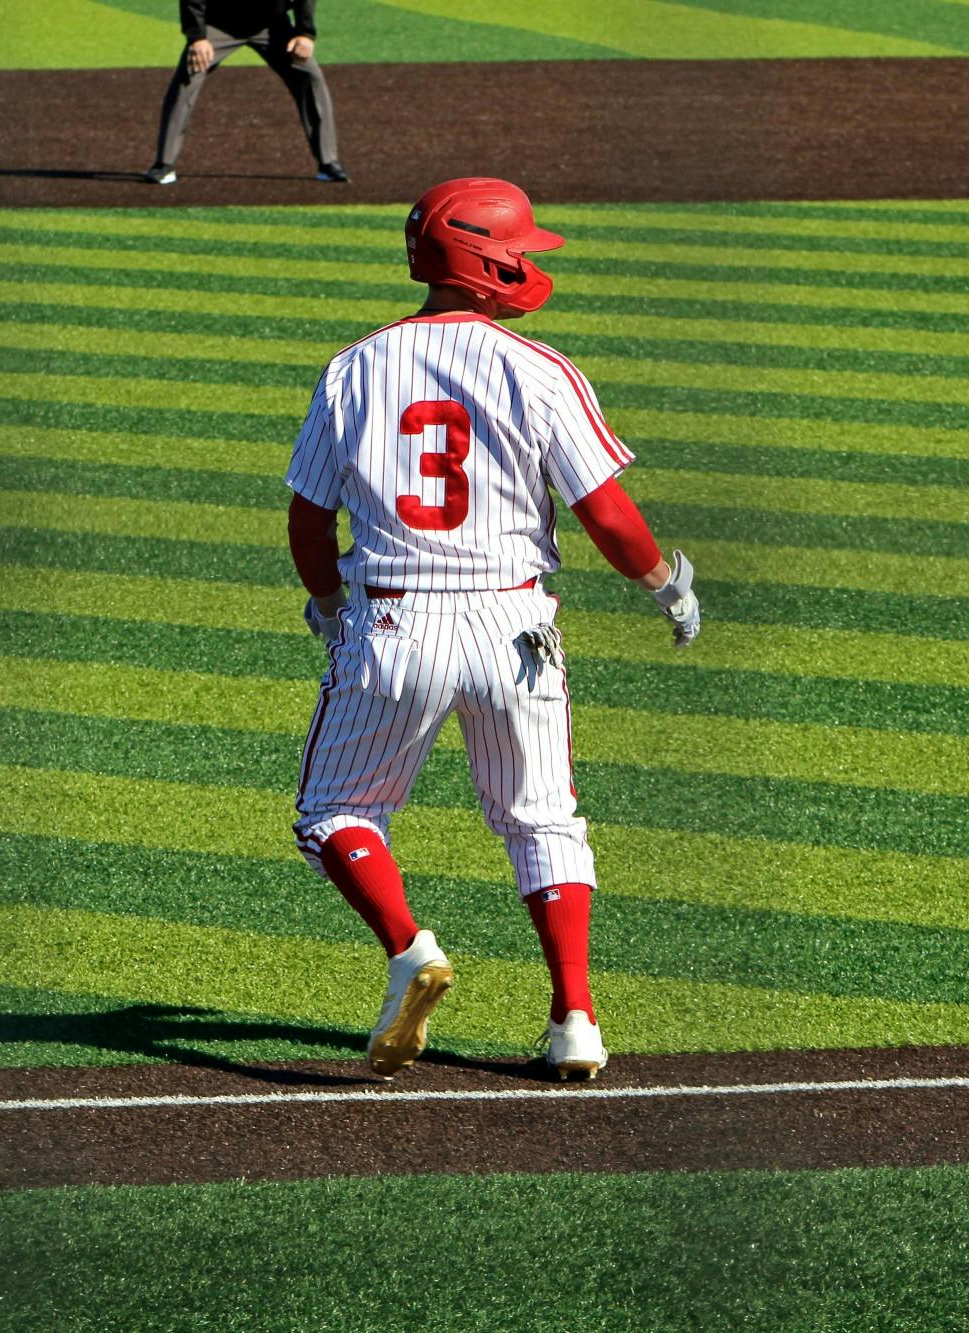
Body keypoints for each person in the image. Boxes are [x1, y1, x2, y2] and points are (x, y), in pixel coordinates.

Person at [284, 178, 702, 1082]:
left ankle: (408, 949)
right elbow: (609, 515)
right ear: (487, 261)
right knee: (542, 820)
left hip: (394, 622)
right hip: (516, 627)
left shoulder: (352, 368)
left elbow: (307, 523)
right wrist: (666, 584)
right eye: (520, 249)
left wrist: (326, 608)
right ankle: (576, 1018)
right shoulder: (540, 370)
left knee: (337, 812)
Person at [144, 1, 346, 185]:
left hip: (271, 26)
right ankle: (164, 164)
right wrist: (197, 37)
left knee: (310, 77)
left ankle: (328, 162)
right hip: (219, 24)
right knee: (188, 77)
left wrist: (305, 33)